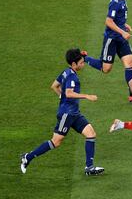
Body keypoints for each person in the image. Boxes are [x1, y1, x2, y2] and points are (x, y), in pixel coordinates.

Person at [20, 48, 104, 176]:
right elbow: (69, 93)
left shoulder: (65, 72)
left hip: (73, 113)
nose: (83, 64)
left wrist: (62, 97)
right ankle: (28, 157)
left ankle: (89, 167)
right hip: (66, 114)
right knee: (56, 141)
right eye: (81, 62)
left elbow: (54, 86)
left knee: (91, 134)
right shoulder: (72, 76)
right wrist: (86, 96)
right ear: (74, 64)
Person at [83, 0, 132, 103]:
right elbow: (108, 21)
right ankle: (84, 58)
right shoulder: (115, 3)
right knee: (106, 69)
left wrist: (124, 25)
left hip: (121, 39)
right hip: (111, 39)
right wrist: (123, 32)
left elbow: (118, 19)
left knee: (129, 63)